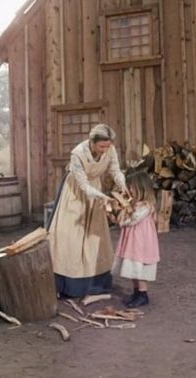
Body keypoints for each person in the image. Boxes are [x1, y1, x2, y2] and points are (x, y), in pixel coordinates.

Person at [48, 123, 127, 298]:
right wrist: (102, 197)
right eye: (102, 146)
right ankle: (70, 285)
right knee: (71, 235)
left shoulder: (110, 149)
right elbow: (83, 184)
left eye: (108, 146)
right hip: (75, 192)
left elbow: (115, 170)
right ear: (92, 142)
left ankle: (96, 282)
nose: (105, 149)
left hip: (95, 189)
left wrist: (123, 185)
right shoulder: (78, 153)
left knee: (94, 235)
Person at [111, 171, 160, 308]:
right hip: (132, 241)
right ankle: (136, 292)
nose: (129, 190)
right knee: (132, 267)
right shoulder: (134, 204)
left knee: (139, 268)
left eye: (131, 187)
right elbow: (125, 215)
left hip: (140, 242)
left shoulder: (145, 206)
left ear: (140, 188)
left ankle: (143, 294)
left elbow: (133, 219)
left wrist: (123, 220)